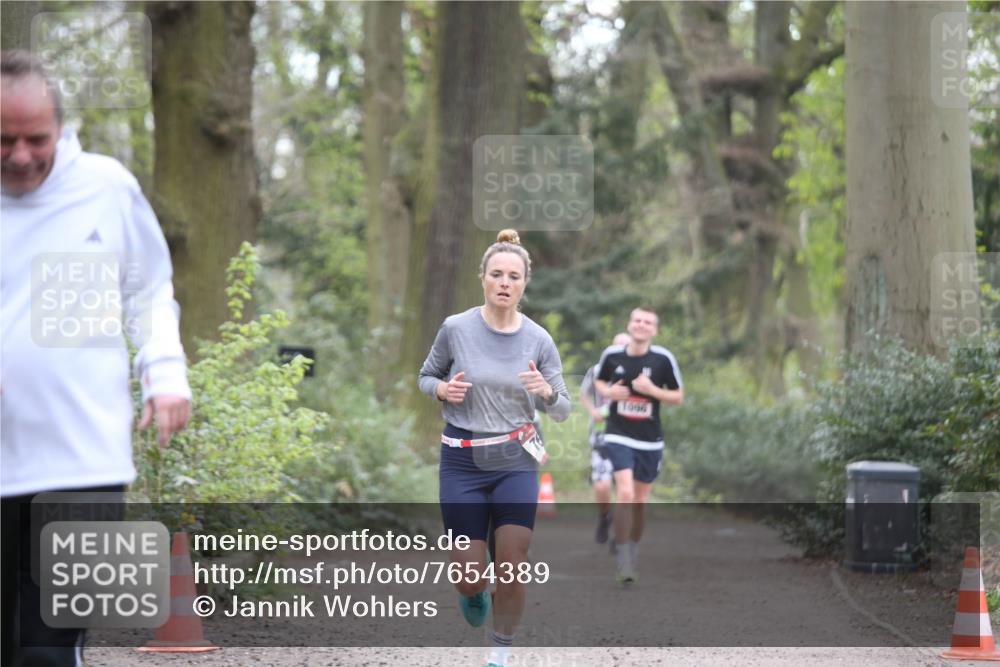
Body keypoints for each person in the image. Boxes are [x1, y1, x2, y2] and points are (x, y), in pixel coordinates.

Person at [1, 50, 191, 667]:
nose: (22, 155)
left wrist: (164, 373)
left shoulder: (106, 187)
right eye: (4, 141)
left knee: (48, 652)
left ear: (62, 128)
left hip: (85, 455)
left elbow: (150, 287)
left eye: (37, 138)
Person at [418, 229, 570, 667]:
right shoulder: (456, 329)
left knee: (513, 562)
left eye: (514, 276)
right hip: (462, 460)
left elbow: (562, 409)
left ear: (524, 284)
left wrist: (546, 392)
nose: (505, 282)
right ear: (483, 278)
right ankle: (473, 593)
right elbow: (426, 376)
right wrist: (442, 390)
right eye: (497, 274)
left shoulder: (539, 340)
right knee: (468, 575)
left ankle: (499, 653)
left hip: (515, 459)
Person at [594, 307, 683, 584]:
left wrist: (651, 391)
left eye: (648, 322)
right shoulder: (612, 355)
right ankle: (623, 560)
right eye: (637, 320)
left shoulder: (663, 359)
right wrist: (609, 392)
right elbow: (598, 380)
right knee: (626, 493)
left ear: (654, 330)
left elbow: (677, 397)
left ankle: (632, 550)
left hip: (649, 439)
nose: (641, 325)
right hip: (618, 433)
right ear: (630, 324)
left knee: (640, 501)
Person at [579, 332, 631, 545]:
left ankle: (620, 536)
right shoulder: (597, 370)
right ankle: (604, 517)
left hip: (630, 435)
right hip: (602, 434)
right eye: (617, 347)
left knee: (625, 489)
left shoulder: (639, 371)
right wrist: (593, 411)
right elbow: (583, 394)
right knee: (602, 486)